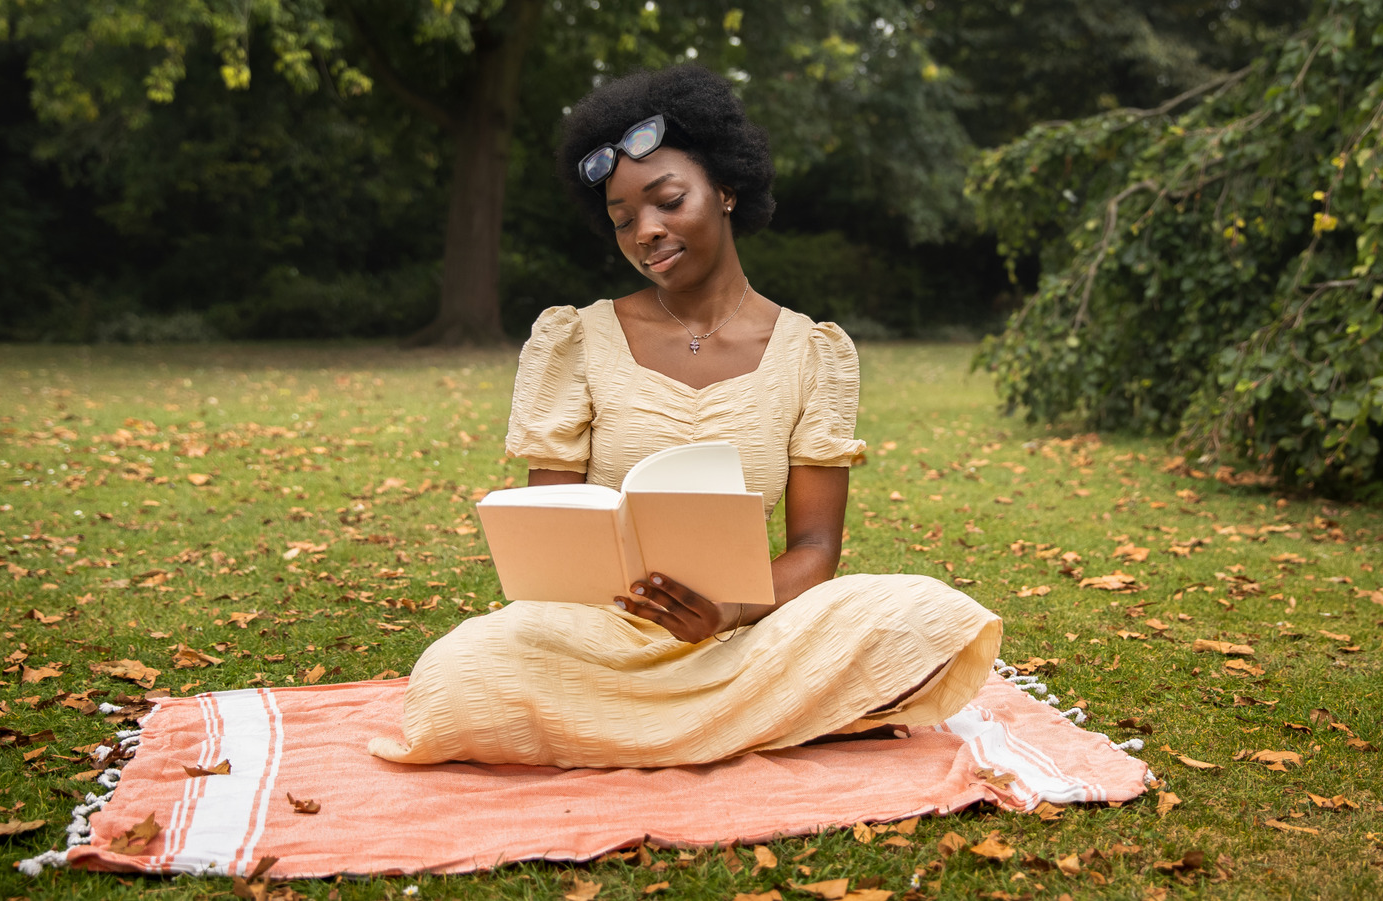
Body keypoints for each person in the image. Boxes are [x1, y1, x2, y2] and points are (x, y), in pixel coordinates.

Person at [368, 65, 1001, 769]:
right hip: (600, 640)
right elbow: (552, 538)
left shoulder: (811, 352)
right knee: (457, 671)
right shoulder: (576, 339)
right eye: (622, 220)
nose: (647, 231)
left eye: (669, 201)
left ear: (725, 190)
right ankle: (768, 718)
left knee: (924, 615)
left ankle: (649, 726)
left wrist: (727, 610)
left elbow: (815, 549)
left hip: (747, 633)